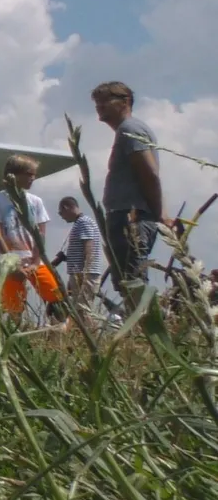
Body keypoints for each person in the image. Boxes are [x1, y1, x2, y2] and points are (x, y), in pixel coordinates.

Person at [92, 81, 171, 308]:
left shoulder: (130, 130)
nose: (99, 105)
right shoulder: (131, 130)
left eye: (106, 100)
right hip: (130, 214)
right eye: (98, 101)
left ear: (125, 101)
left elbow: (149, 174)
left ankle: (147, 329)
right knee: (129, 280)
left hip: (130, 216)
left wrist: (160, 214)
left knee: (132, 281)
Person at [0, 154, 65, 323]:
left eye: (34, 174)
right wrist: (12, 263)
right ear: (14, 175)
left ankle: (59, 331)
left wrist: (36, 262)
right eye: (29, 174)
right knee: (14, 306)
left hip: (36, 260)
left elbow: (40, 234)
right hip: (12, 261)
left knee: (56, 297)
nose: (33, 178)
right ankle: (17, 337)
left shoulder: (35, 201)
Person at [54, 196, 105, 322]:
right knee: (79, 309)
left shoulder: (83, 222)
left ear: (66, 208)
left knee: (83, 310)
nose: (62, 216)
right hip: (81, 272)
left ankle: (90, 335)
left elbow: (89, 245)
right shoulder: (81, 223)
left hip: (85, 273)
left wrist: (85, 272)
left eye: (61, 213)